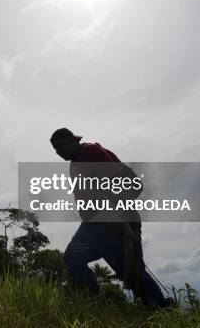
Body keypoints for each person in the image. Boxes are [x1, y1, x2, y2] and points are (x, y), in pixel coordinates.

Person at [50, 127, 167, 307]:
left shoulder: (90, 152)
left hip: (112, 221)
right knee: (74, 258)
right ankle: (94, 303)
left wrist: (119, 217)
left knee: (131, 271)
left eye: (60, 145)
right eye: (55, 149)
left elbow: (117, 183)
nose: (58, 151)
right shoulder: (76, 161)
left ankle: (159, 308)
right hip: (94, 224)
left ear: (74, 140)